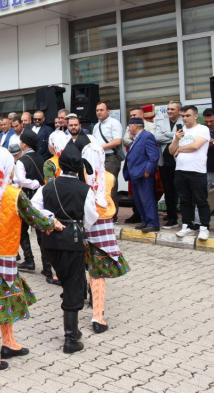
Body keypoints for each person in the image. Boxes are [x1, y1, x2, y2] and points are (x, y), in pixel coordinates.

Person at [0, 148, 59, 371]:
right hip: (4, 256)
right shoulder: (14, 194)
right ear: (7, 167)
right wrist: (54, 224)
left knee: (5, 300)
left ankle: (9, 344)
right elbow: (36, 218)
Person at [31, 143, 98, 354]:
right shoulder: (85, 189)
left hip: (50, 242)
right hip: (73, 240)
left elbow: (33, 209)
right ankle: (70, 338)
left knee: (66, 280)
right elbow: (91, 218)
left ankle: (74, 331)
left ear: (60, 165)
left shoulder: (46, 187)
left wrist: (51, 219)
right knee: (73, 286)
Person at [82, 143, 130, 334]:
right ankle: (97, 315)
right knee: (99, 272)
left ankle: (86, 301)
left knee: (87, 266)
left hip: (83, 225)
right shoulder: (109, 177)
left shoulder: (80, 177)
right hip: (103, 227)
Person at [169, 106, 211, 240]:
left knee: (201, 200)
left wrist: (180, 149)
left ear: (195, 116)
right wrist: (176, 139)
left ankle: (204, 227)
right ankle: (186, 225)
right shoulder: (180, 131)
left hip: (197, 170)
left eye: (187, 115)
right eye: (183, 116)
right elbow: (171, 151)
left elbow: (196, 146)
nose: (185, 118)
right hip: (181, 170)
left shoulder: (202, 129)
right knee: (185, 200)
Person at [13, 131, 47, 275]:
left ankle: (29, 259)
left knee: (21, 229)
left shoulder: (22, 160)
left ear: (25, 144)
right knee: (40, 232)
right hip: (40, 198)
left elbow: (20, 180)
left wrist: (33, 184)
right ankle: (47, 266)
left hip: (27, 197)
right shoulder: (42, 158)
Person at [123, 118, 160, 233]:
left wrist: (147, 171)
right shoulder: (136, 138)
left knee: (147, 199)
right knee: (139, 200)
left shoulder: (147, 136)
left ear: (135, 126)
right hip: (135, 174)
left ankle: (153, 223)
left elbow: (153, 156)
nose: (128, 129)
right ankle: (145, 221)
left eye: (129, 126)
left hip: (143, 174)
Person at [92, 102, 123, 221]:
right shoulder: (96, 126)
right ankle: (102, 211)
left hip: (111, 157)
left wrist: (100, 147)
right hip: (99, 158)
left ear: (108, 111)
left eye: (101, 110)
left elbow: (117, 141)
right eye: (97, 110)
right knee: (99, 185)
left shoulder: (114, 123)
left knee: (110, 185)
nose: (99, 112)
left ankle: (112, 214)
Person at [155, 101, 183, 228]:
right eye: (168, 109)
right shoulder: (161, 123)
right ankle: (172, 216)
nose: (169, 111)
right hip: (165, 162)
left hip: (180, 162)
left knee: (181, 190)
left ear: (179, 111)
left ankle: (187, 218)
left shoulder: (184, 121)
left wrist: (165, 134)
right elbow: (156, 138)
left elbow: (184, 136)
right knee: (168, 190)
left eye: (172, 109)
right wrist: (175, 136)